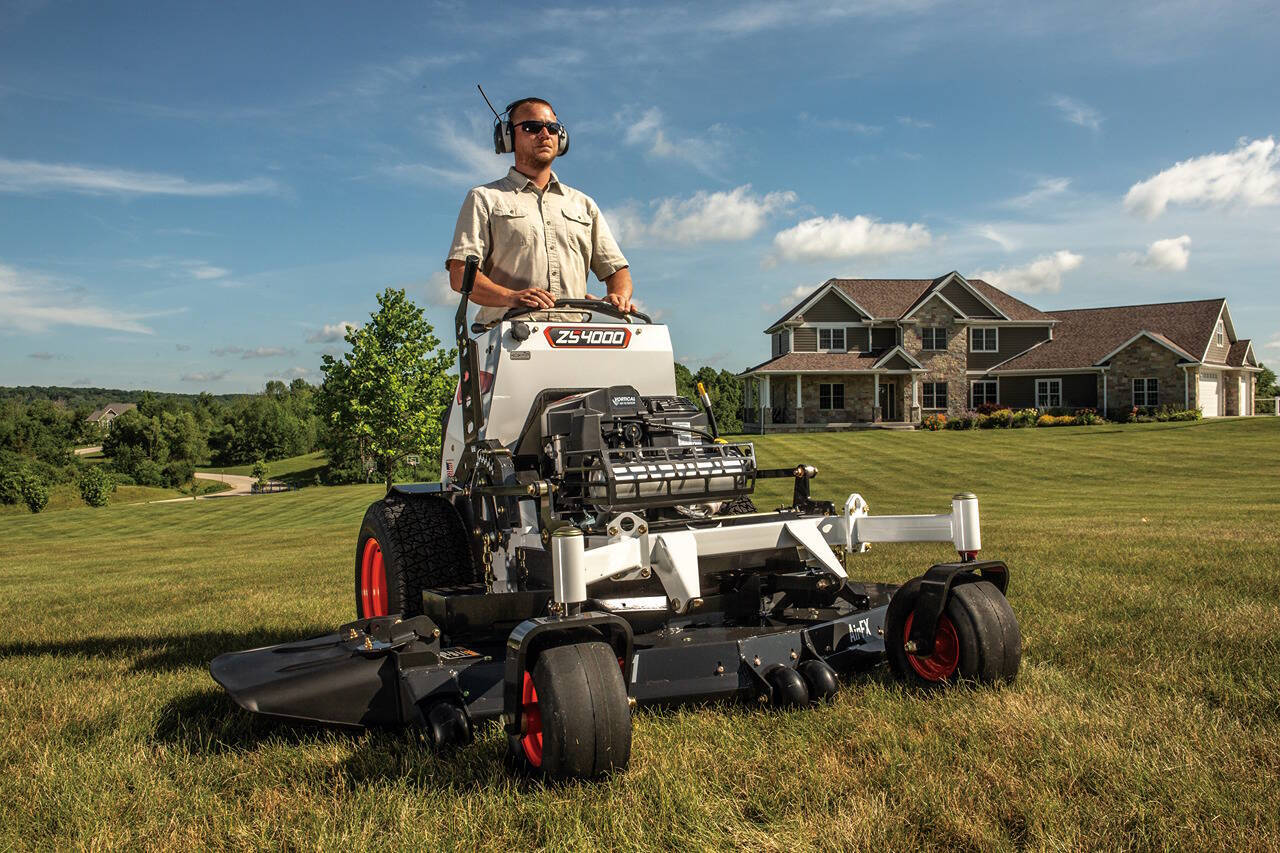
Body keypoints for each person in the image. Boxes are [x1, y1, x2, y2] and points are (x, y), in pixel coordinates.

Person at [445, 96, 633, 325]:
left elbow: (617, 270)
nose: (545, 134)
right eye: (532, 127)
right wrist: (511, 297)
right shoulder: (485, 198)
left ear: (561, 138)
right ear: (507, 136)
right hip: (506, 336)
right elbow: (461, 275)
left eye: (553, 128)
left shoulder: (584, 205)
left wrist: (618, 298)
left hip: (576, 341)